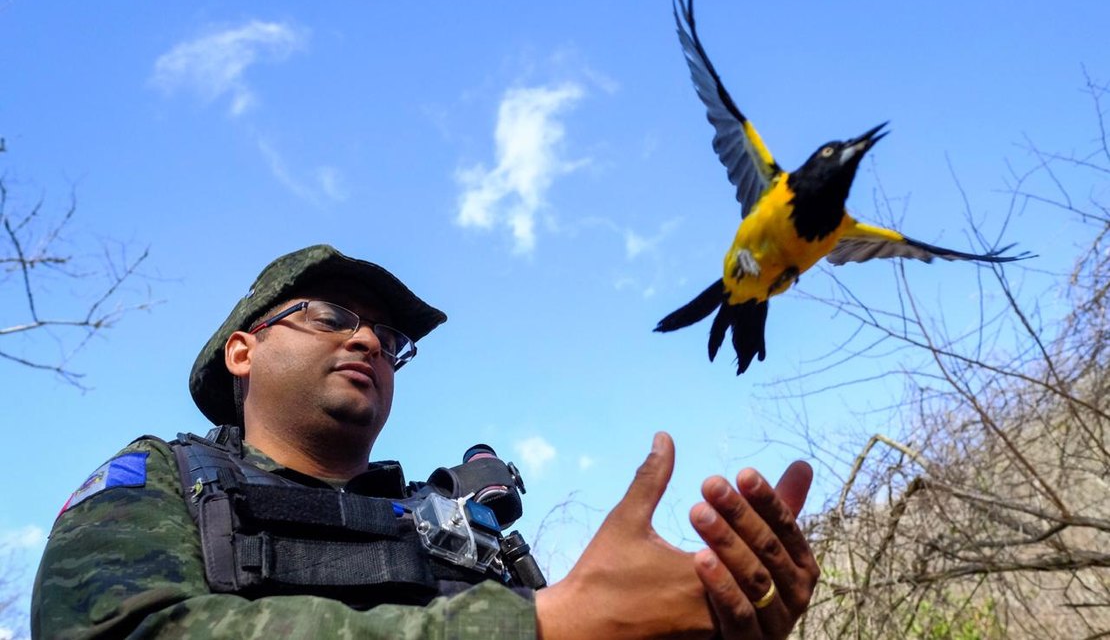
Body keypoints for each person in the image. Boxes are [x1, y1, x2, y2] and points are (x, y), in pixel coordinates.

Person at [32, 244, 819, 639]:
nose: (369, 340)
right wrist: (537, 626)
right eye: (332, 317)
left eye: (387, 335)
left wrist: (708, 619)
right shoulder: (159, 481)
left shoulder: (460, 530)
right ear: (244, 350)